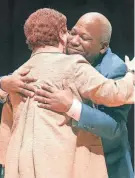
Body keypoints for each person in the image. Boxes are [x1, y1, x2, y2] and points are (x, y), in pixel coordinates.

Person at [0, 9, 134, 178]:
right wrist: (3, 84)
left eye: (84, 38)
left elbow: (115, 128)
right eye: (72, 33)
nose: (74, 41)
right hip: (51, 161)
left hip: (105, 163)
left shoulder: (114, 69)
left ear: (103, 47)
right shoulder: (55, 57)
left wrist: (72, 107)